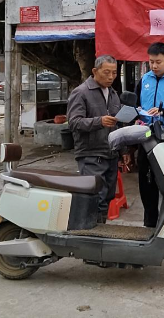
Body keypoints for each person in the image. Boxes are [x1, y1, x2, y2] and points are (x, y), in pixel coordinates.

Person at [133, 42, 164, 228]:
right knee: (146, 183)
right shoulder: (144, 80)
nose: (154, 66)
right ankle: (150, 224)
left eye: (158, 62)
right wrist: (136, 117)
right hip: (146, 140)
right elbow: (136, 105)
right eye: (151, 62)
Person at [67, 55, 121, 223]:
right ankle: (90, 232)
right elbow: (74, 122)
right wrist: (99, 121)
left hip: (111, 154)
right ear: (95, 71)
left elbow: (117, 125)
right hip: (91, 154)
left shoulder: (113, 94)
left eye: (114, 73)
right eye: (106, 72)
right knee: (94, 198)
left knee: (107, 198)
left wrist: (124, 150)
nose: (111, 77)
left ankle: (99, 230)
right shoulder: (81, 92)